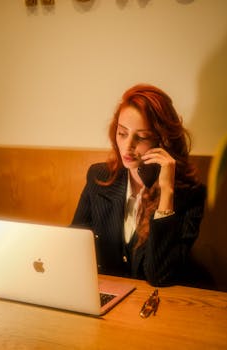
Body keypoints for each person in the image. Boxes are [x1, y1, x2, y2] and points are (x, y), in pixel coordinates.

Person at [71, 84, 206, 286]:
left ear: (163, 141)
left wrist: (167, 192)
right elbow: (73, 246)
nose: (127, 146)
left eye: (141, 137)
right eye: (122, 133)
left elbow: (159, 275)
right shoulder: (98, 177)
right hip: (105, 298)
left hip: (156, 304)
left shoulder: (190, 195)